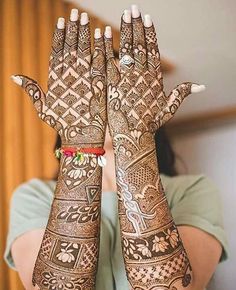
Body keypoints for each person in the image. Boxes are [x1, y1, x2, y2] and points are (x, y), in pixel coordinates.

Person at [4, 5, 228, 290]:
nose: (104, 100)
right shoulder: (34, 195)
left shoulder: (192, 189)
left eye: (117, 90)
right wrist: (81, 138)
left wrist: (134, 137)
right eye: (92, 89)